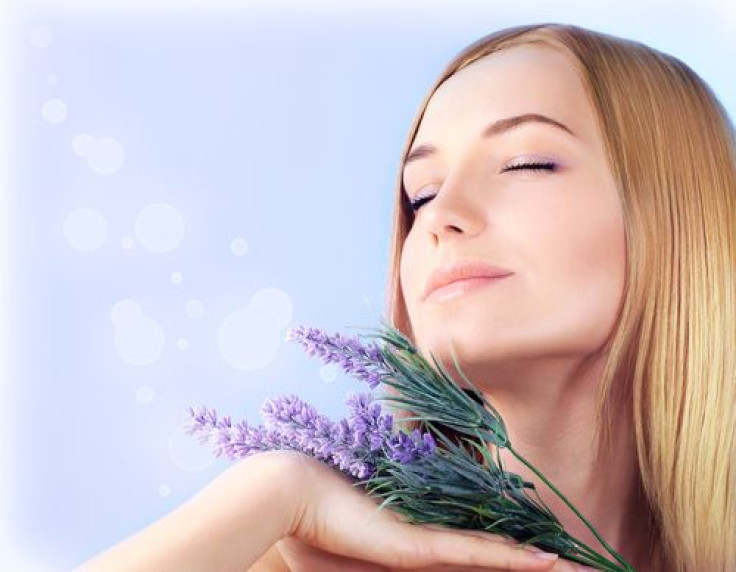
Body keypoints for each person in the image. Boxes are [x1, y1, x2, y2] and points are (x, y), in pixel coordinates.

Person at [74, 22, 735, 572]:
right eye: (418, 194)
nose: (442, 215)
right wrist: (277, 493)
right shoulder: (306, 557)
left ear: (682, 216)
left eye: (526, 162)